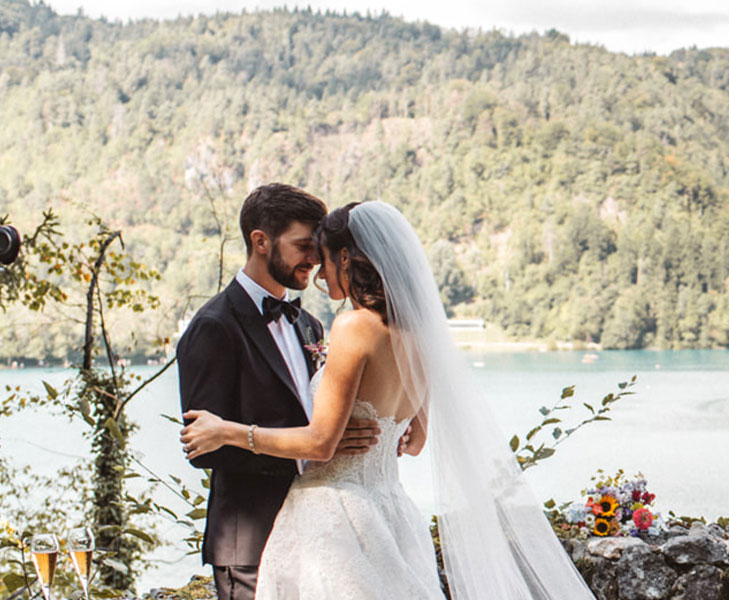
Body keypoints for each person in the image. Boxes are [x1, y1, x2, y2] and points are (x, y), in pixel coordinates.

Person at [181, 201, 594, 600]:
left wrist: (228, 431)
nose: (319, 272)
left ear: (346, 259)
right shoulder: (420, 334)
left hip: (338, 517)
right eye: (306, 250)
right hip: (390, 514)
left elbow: (321, 442)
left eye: (321, 256)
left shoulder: (347, 327)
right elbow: (413, 441)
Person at [174, 184, 384, 600]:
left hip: (317, 531)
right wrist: (315, 446)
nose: (315, 259)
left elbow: (318, 419)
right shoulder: (214, 326)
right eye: (304, 245)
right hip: (250, 544)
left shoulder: (310, 326)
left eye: (318, 247)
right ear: (260, 241)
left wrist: (338, 437)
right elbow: (206, 449)